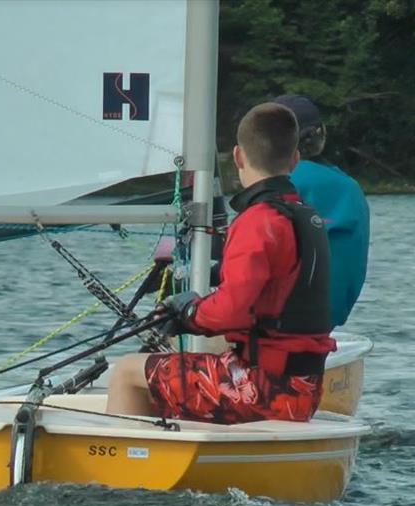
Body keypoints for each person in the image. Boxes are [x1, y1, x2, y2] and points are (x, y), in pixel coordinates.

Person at [106, 102, 336, 424]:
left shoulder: (258, 222)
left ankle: (126, 468)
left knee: (127, 371)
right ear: (296, 159)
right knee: (187, 366)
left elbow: (232, 310)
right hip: (303, 389)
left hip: (262, 390)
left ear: (238, 157)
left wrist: (188, 312)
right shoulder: (306, 218)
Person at [273, 95, 370, 328]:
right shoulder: (350, 188)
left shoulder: (277, 186)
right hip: (324, 324)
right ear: (320, 134)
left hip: (275, 329)